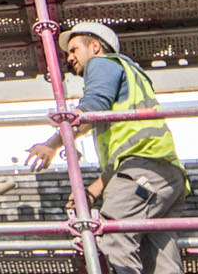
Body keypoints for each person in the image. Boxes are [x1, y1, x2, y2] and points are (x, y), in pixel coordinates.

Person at [23, 22, 187, 274]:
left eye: (74, 49)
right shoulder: (133, 75)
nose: (70, 58)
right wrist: (93, 190)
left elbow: (90, 110)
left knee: (114, 235)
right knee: (159, 257)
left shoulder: (102, 63)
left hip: (142, 171)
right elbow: (127, 152)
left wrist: (50, 145)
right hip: (166, 177)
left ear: (96, 46)